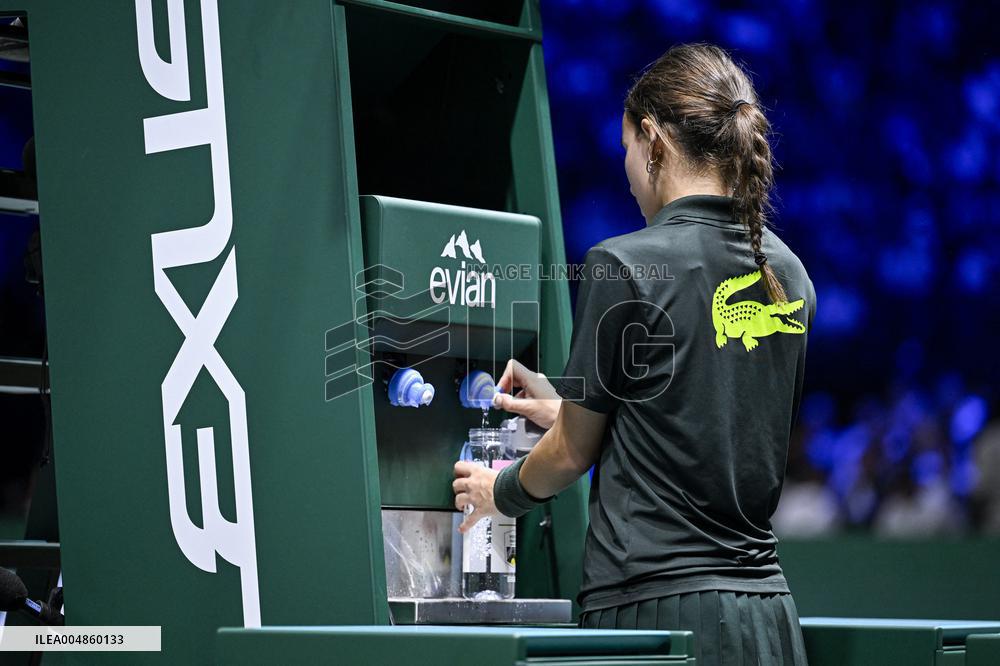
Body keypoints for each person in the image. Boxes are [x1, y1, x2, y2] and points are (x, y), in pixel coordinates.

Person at [452, 43, 815, 666]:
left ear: (654, 141)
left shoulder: (621, 263)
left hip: (656, 620)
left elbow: (571, 453)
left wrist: (499, 490)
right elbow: (702, 418)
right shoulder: (790, 275)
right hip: (769, 623)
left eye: (625, 148)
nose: (625, 169)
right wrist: (574, 405)